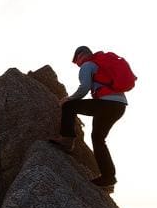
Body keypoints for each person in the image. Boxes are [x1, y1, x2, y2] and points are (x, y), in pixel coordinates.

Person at [51, 45, 128, 190]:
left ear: (80, 56)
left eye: (76, 61)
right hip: (119, 106)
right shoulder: (101, 65)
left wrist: (69, 99)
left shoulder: (87, 65)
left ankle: (67, 140)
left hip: (106, 104)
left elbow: (84, 88)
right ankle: (108, 176)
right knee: (98, 139)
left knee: (69, 106)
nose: (77, 64)